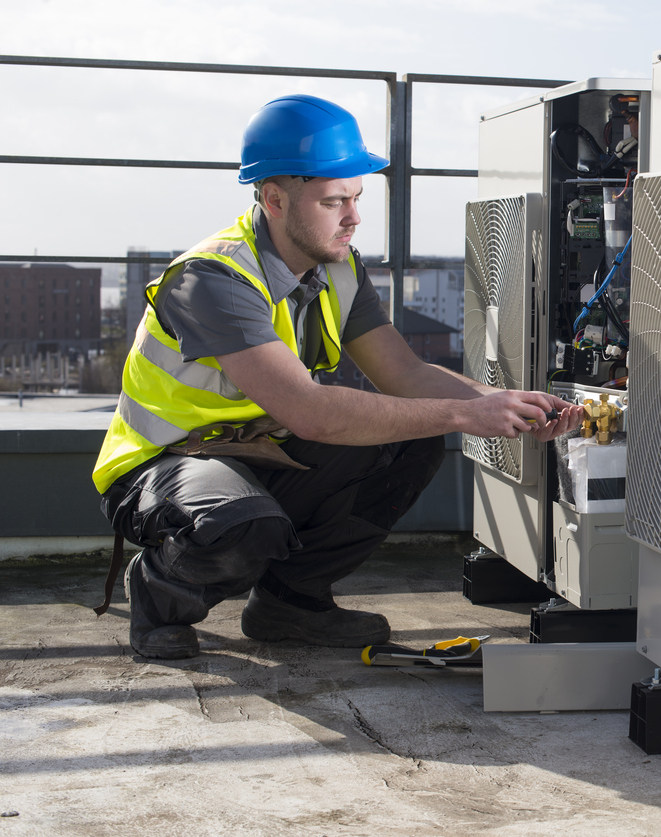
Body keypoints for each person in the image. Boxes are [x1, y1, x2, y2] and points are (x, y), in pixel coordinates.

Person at [92, 94, 581, 660]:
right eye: (333, 202)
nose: (353, 218)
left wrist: (510, 404)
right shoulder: (214, 279)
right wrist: (469, 413)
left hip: (260, 453)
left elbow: (404, 372)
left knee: (411, 440)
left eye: (356, 198)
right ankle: (159, 596)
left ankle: (290, 602)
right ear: (274, 199)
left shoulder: (339, 269)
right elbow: (311, 412)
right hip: (167, 464)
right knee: (244, 526)